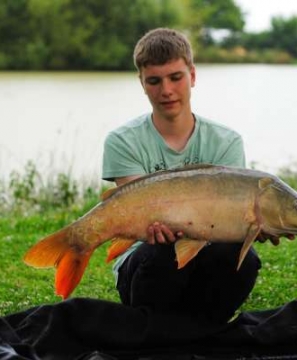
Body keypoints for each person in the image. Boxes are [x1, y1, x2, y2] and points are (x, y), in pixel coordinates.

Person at [102, 28, 261, 324]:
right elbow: (133, 211)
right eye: (154, 81)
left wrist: (259, 224)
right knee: (161, 251)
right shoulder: (121, 141)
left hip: (205, 264)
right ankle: (159, 326)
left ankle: (203, 327)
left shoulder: (227, 142)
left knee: (243, 258)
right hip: (144, 267)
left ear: (193, 76)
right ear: (142, 83)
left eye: (176, 77)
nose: (166, 91)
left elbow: (231, 222)